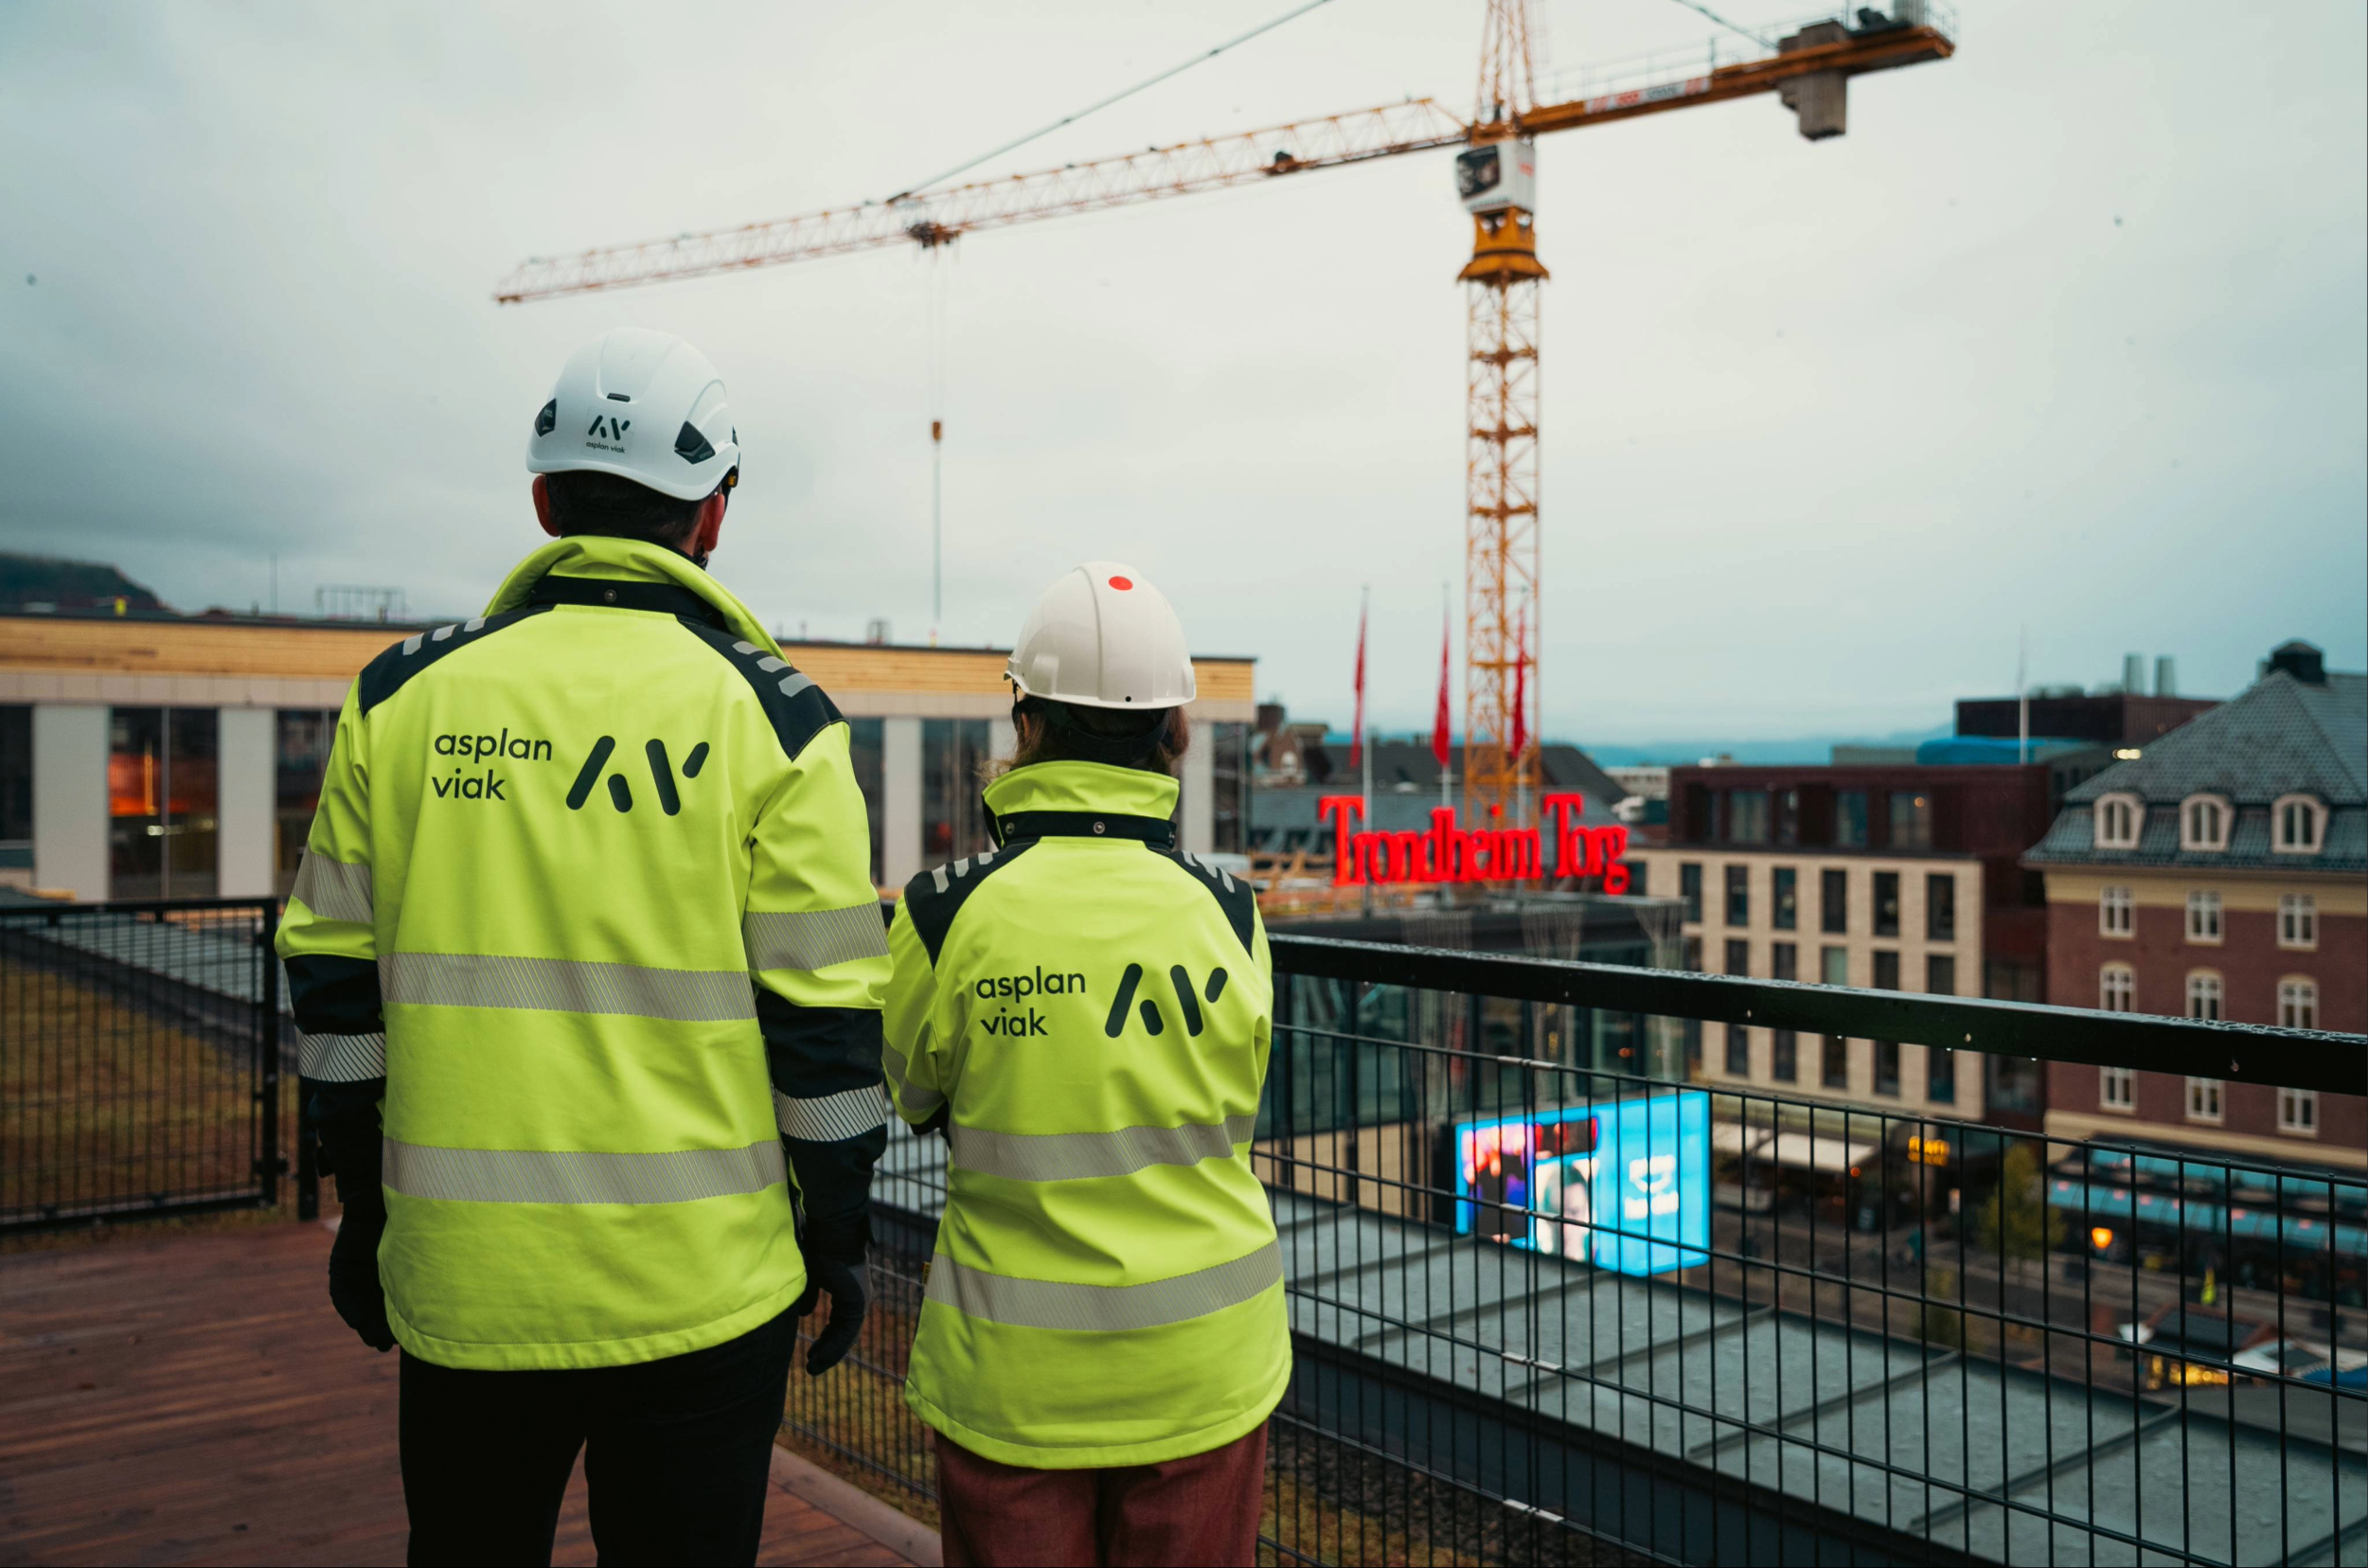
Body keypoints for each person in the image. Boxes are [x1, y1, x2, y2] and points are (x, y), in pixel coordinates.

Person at [276, 328, 891, 1566]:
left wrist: (360, 1203)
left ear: (545, 499)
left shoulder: (401, 700)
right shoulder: (781, 721)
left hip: (465, 1283)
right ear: (712, 515)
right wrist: (837, 1235)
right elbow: (825, 1028)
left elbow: (335, 990)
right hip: (704, 1299)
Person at [881, 563, 1289, 1568]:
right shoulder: (1231, 911)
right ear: (1173, 731)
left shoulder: (941, 909)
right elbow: (1234, 1103)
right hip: (1205, 1363)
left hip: (1016, 1377)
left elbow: (913, 1090)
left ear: (1024, 721)